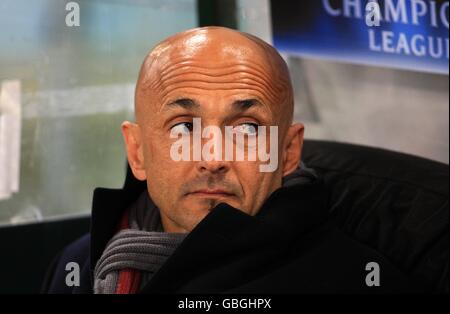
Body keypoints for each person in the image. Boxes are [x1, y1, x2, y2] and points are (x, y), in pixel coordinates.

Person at [44, 26, 419, 294]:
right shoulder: (79, 265)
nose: (213, 158)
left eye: (247, 129)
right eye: (184, 128)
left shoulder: (354, 281)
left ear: (287, 153)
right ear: (138, 151)